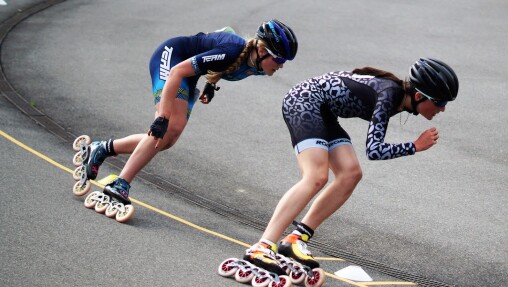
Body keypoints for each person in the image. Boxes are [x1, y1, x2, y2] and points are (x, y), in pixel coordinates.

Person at [244, 58, 459, 273]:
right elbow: (374, 150)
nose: (443, 109)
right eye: (441, 102)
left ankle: (296, 238)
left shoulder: (397, 96)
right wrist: (414, 146)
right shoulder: (390, 95)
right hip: (304, 102)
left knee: (351, 173)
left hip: (324, 112)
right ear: (420, 96)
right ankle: (263, 246)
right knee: (315, 177)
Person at [77, 19, 298, 215]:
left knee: (169, 138)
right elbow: (178, 71)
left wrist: (211, 83)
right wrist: (161, 116)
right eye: (279, 59)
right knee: (166, 127)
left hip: (188, 72)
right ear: (261, 51)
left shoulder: (255, 65)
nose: (281, 65)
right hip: (173, 59)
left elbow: (217, 46)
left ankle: (102, 148)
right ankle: (120, 183)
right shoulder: (234, 50)